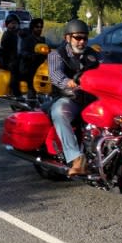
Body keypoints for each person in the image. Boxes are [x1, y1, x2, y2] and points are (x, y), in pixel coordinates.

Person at [46, 19, 100, 177]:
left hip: (90, 98)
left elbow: (106, 67)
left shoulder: (93, 54)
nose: (82, 41)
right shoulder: (57, 55)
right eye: (78, 37)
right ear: (67, 38)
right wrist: (68, 82)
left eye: (85, 38)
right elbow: (55, 74)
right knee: (59, 111)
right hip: (69, 98)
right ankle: (76, 158)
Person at [19, 18, 46, 100]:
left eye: (41, 27)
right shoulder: (27, 39)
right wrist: (32, 55)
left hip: (40, 65)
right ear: (32, 28)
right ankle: (31, 100)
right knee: (32, 82)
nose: (39, 29)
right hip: (29, 66)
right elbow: (23, 52)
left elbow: (47, 49)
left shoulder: (42, 39)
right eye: (37, 27)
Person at [0, 13, 22, 98]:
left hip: (17, 58)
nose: (14, 25)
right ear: (7, 25)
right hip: (8, 59)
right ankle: (13, 91)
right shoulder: (7, 35)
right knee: (15, 68)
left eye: (15, 23)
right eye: (12, 23)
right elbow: (7, 49)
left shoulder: (19, 34)